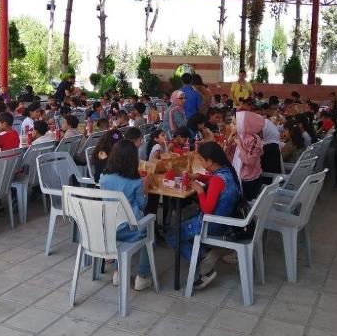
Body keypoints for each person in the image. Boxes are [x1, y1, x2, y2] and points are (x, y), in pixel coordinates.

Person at [166, 141, 240, 289]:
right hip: (225, 221)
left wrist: (199, 190)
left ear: (210, 161)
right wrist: (199, 176)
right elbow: (213, 181)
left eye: (201, 159)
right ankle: (206, 252)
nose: (199, 162)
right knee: (186, 218)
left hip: (211, 225)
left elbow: (207, 209)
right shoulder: (226, 171)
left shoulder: (217, 180)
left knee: (172, 235)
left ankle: (204, 264)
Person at [99, 139, 154, 291]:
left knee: (120, 223)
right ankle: (142, 276)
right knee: (149, 232)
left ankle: (118, 272)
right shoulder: (135, 182)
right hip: (130, 230)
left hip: (109, 229)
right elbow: (142, 206)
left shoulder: (104, 178)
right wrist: (145, 188)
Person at [231, 111, 264, 201]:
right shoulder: (240, 136)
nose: (232, 126)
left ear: (242, 124)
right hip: (240, 175)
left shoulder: (254, 140)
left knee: (246, 203)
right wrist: (230, 139)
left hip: (250, 179)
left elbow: (250, 162)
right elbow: (229, 155)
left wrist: (239, 145)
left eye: (234, 123)